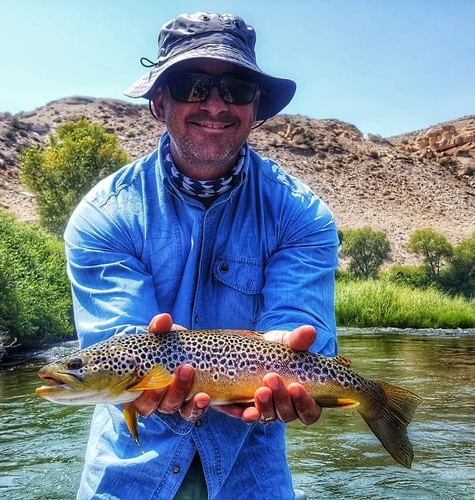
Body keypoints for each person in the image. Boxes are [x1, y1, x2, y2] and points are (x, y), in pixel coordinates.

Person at [64, 11, 339, 500]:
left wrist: (288, 354)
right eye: (193, 85)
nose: (215, 103)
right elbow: (118, 347)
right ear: (158, 101)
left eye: (235, 88)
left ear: (256, 108)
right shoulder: (105, 214)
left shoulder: (302, 214)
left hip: (251, 476)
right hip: (127, 477)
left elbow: (302, 327)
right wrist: (150, 381)